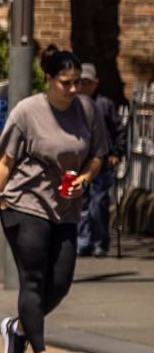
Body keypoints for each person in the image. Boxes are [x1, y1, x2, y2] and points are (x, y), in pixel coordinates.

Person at [0, 47, 109, 353]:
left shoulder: (88, 110)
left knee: (61, 283)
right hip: (24, 203)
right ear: (49, 79)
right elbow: (4, 162)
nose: (72, 89)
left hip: (66, 207)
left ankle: (18, 327)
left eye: (78, 83)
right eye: (65, 82)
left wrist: (86, 178)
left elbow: (97, 155)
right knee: (34, 280)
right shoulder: (28, 111)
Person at [75, 63, 127, 256]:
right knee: (81, 203)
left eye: (88, 83)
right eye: (81, 83)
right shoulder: (73, 104)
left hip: (102, 162)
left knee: (99, 203)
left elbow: (119, 131)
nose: (84, 87)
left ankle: (100, 242)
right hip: (80, 162)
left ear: (95, 83)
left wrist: (116, 153)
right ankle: (83, 241)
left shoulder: (105, 105)